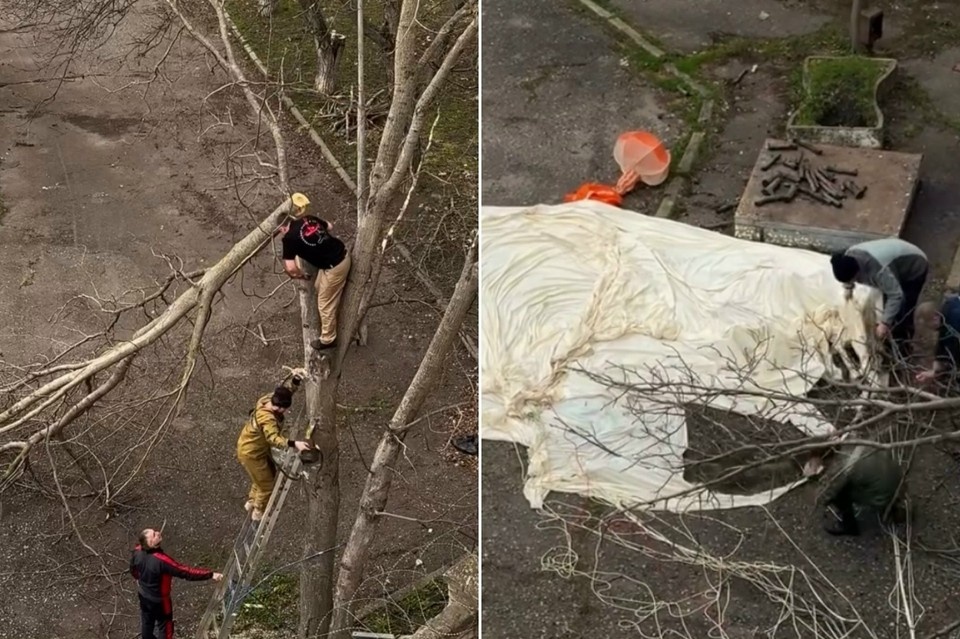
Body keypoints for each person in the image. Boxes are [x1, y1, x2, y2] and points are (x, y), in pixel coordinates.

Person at [279, 192, 351, 350]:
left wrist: (299, 275)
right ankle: (331, 315)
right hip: (340, 253)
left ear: (283, 227)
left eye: (281, 231)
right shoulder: (308, 218)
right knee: (319, 287)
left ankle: (328, 339)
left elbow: (290, 267)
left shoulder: (289, 238)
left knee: (324, 304)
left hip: (335, 267)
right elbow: (329, 226)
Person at [830, 238, 928, 351]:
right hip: (893, 263)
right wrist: (848, 287)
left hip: (914, 264)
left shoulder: (878, 270)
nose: (855, 282)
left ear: (858, 272)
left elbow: (896, 295)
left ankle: (903, 344)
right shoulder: (847, 256)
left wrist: (884, 323)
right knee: (889, 307)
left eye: (854, 280)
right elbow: (848, 277)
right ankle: (891, 334)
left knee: (903, 309)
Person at [236, 385, 313, 521]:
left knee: (263, 475)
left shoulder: (266, 400)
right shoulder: (268, 419)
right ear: (281, 408)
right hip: (251, 453)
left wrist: (296, 380)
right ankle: (258, 510)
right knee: (266, 484)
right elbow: (273, 438)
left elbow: (284, 390)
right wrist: (294, 444)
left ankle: (252, 500)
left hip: (252, 448)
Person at [129, 528, 223, 639]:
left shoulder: (137, 552)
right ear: (151, 544)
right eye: (154, 535)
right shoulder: (161, 561)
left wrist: (140, 580)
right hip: (160, 601)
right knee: (166, 627)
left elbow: (133, 570)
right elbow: (185, 572)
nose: (158, 533)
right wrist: (210, 574)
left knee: (147, 623)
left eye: (155, 531)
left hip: (143, 595)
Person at [814, 444, 905, 536]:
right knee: (864, 478)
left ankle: (850, 527)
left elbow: (829, 493)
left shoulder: (843, 466)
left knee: (841, 496)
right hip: (897, 479)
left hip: (882, 495)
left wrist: (821, 499)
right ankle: (893, 506)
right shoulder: (854, 443)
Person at [914, 294, 960, 385]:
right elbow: (942, 349)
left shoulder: (955, 318)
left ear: (935, 317)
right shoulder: (947, 310)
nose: (934, 331)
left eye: (931, 327)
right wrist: (934, 371)